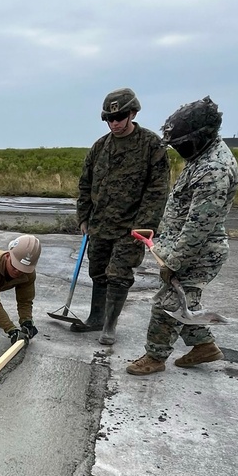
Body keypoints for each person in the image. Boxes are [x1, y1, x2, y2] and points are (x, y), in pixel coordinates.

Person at [127, 97, 238, 375]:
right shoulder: (202, 157)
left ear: (201, 137)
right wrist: (163, 241)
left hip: (198, 252)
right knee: (184, 303)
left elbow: (199, 226)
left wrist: (174, 261)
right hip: (185, 247)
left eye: (182, 144)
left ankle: (154, 357)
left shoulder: (214, 169)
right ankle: (204, 345)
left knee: (166, 306)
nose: (179, 150)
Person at [74, 87, 170, 344]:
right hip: (99, 225)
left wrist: (146, 225)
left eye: (119, 117)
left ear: (133, 113)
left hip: (132, 226)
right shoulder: (100, 147)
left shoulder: (151, 145)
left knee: (118, 274)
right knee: (98, 272)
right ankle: (95, 318)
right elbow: (85, 184)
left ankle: (109, 326)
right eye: (109, 119)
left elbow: (158, 189)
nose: (114, 123)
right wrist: (83, 217)